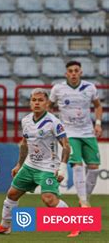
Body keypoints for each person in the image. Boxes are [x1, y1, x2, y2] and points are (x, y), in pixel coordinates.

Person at [0, 88, 70, 235]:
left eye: (40, 100)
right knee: (12, 194)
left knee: (48, 199)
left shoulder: (54, 122)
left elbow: (66, 146)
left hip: (48, 167)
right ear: (30, 103)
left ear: (47, 103)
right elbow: (24, 143)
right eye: (34, 100)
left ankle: (75, 223)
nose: (37, 103)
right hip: (30, 166)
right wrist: (19, 164)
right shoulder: (26, 120)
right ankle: (5, 226)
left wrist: (62, 168)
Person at [49, 60, 102, 209]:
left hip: (88, 132)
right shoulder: (58, 89)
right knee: (77, 165)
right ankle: (84, 202)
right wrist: (52, 123)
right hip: (69, 133)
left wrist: (98, 124)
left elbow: (98, 106)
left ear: (81, 72)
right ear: (66, 73)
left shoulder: (90, 88)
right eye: (70, 71)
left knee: (94, 168)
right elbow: (49, 106)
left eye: (76, 70)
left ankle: (85, 199)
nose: (73, 73)